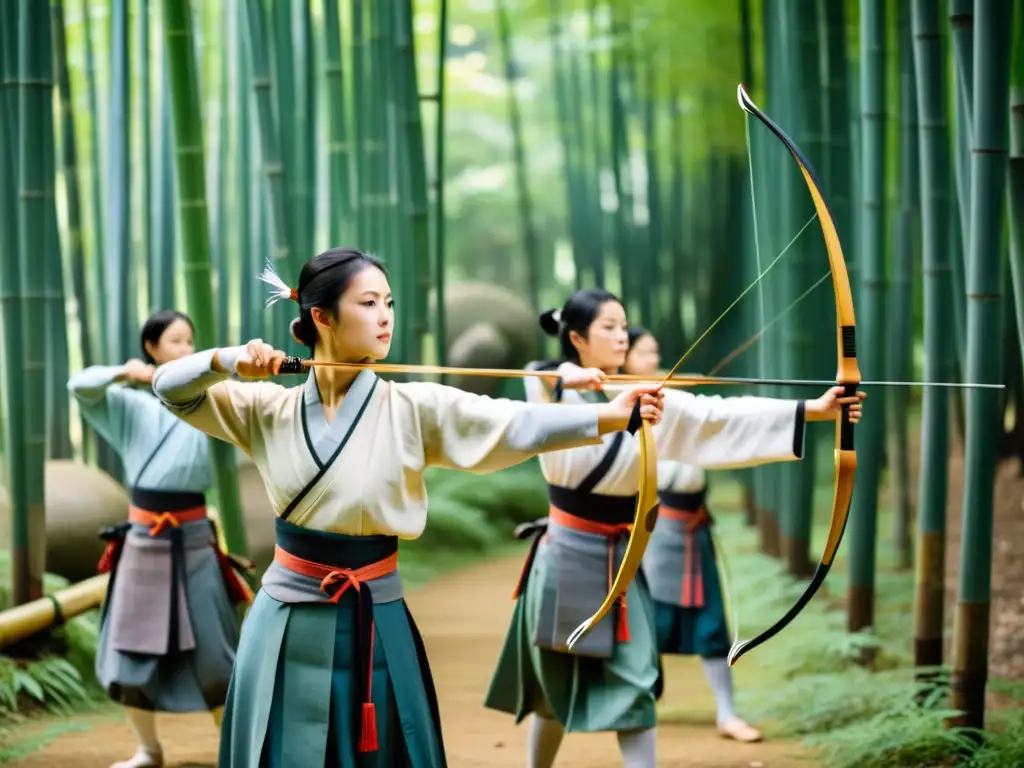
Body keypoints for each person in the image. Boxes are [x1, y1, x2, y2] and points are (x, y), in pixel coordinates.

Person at [149, 248, 665, 767]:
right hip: (285, 619)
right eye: (369, 303)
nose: (385, 316)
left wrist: (608, 417)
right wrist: (227, 360)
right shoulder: (265, 409)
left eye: (389, 303)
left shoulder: (414, 408)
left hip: (376, 614)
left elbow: (513, 423)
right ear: (322, 317)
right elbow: (168, 387)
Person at [483, 289, 865, 768]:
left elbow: (718, 416)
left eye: (624, 326)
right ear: (576, 337)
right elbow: (540, 380)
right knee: (553, 685)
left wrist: (815, 408)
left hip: (621, 559)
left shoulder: (645, 402)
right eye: (608, 327)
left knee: (637, 684)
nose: (621, 336)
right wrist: (567, 377)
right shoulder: (551, 388)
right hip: (567, 554)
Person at [68, 310, 252, 768]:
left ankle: (237, 753)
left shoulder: (215, 403)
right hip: (144, 539)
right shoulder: (132, 406)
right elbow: (80, 386)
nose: (186, 350)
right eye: (176, 341)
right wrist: (122, 373)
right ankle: (148, 750)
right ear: (152, 348)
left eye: (191, 341)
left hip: (193, 539)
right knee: (130, 651)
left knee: (216, 652)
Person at [624, 326, 761, 742]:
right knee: (647, 622)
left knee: (712, 623)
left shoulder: (673, 399)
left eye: (655, 352)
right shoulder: (620, 403)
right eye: (643, 353)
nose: (652, 359)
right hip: (653, 524)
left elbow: (718, 419)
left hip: (692, 524)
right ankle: (636, 704)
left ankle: (727, 713)